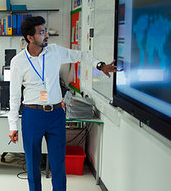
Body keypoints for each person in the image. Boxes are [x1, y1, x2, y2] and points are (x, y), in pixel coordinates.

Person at [7, 16, 117, 191]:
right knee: (33, 164)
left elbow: (80, 55)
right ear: (30, 37)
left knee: (58, 165)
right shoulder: (18, 62)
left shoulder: (55, 51)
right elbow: (14, 96)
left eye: (45, 31)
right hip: (32, 115)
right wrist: (12, 125)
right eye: (41, 32)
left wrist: (100, 65)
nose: (46, 35)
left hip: (56, 115)